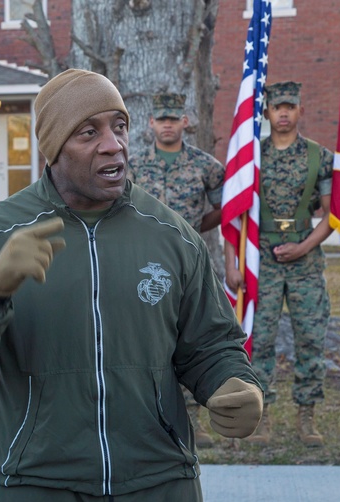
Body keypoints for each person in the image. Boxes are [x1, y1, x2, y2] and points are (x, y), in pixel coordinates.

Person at [0, 69, 263, 502]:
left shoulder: (170, 235)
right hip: (39, 490)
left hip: (160, 488)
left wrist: (234, 383)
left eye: (119, 127)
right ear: (53, 147)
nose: (113, 145)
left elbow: (210, 345)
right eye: (89, 132)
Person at [225, 81, 335, 448]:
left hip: (305, 260)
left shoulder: (320, 157)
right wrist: (233, 262)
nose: (284, 113)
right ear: (267, 112)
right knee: (261, 341)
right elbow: (236, 214)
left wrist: (303, 247)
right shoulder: (252, 157)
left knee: (310, 338)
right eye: (277, 107)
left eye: (290, 106)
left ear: (301, 110)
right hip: (264, 260)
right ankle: (262, 415)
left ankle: (307, 416)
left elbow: (331, 217)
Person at [129, 92, 226, 448]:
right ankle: (148, 418)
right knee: (149, 338)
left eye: (174, 118)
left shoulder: (206, 165)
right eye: (161, 118)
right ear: (151, 123)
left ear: (185, 122)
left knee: (190, 337)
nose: (168, 124)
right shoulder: (134, 166)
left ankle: (193, 421)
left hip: (188, 263)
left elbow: (226, 208)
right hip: (144, 264)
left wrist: (195, 227)